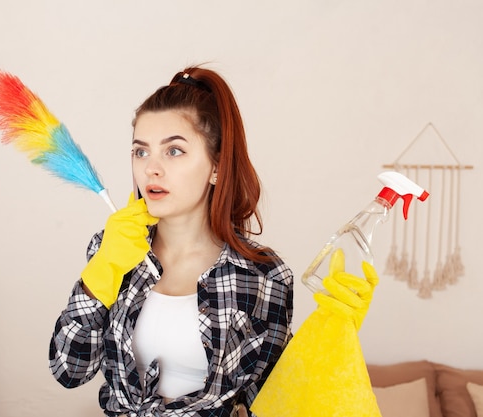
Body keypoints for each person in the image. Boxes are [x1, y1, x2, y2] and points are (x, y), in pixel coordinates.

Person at [49, 66, 377, 416]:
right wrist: (103, 271)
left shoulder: (263, 276)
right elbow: (69, 370)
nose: (151, 169)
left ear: (216, 167)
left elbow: (277, 399)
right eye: (140, 152)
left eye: (174, 151)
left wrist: (334, 333)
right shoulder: (112, 250)